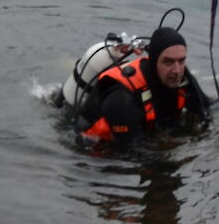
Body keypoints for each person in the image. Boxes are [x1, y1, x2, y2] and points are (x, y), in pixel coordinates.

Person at [79, 27, 210, 142]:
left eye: (181, 61)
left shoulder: (182, 78)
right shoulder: (122, 98)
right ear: (153, 61)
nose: (177, 71)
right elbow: (134, 154)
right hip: (93, 149)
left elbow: (209, 108)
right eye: (168, 62)